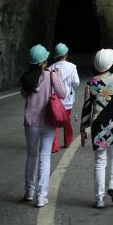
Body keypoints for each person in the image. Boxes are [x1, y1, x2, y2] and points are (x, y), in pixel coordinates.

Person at [20, 44, 66, 208]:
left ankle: (29, 192)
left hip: (30, 121)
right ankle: (41, 196)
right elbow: (63, 93)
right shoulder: (50, 76)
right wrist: (57, 77)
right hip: (47, 121)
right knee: (44, 157)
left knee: (31, 155)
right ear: (43, 62)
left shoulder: (25, 78)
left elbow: (25, 95)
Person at [80, 49, 113, 209]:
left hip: (98, 126)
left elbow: (86, 109)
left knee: (100, 162)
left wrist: (82, 129)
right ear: (111, 63)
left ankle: (99, 199)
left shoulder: (91, 83)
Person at [49, 43, 80, 153]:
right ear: (66, 54)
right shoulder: (72, 67)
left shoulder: (51, 68)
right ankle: (67, 142)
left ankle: (54, 146)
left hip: (55, 101)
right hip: (68, 99)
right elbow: (76, 82)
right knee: (66, 120)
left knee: (55, 123)